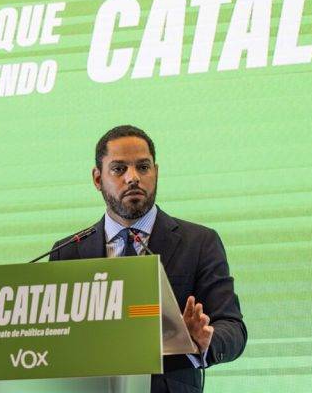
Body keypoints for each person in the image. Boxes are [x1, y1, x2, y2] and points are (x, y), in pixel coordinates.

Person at [50, 125, 247, 393]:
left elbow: (232, 327)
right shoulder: (68, 252)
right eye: (119, 169)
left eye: (143, 167)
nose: (133, 178)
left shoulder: (199, 242)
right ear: (98, 179)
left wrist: (204, 340)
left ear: (156, 172)